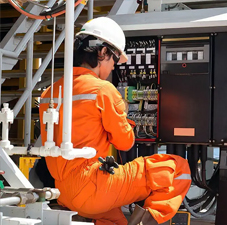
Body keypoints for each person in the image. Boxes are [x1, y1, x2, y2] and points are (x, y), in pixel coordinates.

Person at [39, 17, 191, 225]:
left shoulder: (50, 92)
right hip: (94, 188)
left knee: (114, 220)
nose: (113, 68)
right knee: (178, 168)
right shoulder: (103, 90)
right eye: (114, 60)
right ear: (102, 53)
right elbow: (125, 143)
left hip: (63, 192)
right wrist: (126, 118)